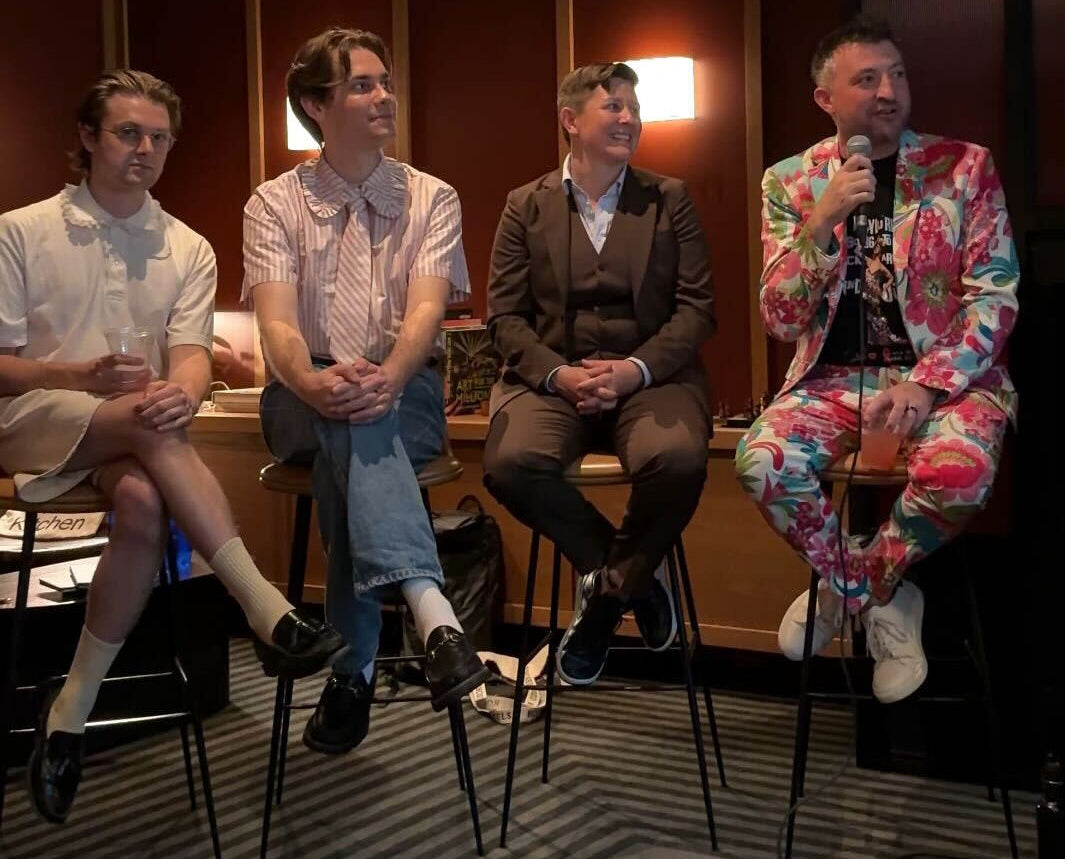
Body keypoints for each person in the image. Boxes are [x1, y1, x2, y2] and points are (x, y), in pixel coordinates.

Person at [0, 70, 344, 823]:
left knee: (143, 502)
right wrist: (76, 375)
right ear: (88, 137)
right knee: (147, 422)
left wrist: (184, 394)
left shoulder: (187, 245)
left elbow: (190, 358)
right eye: (128, 133)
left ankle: (66, 719)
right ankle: (263, 606)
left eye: (159, 138)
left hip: (137, 433)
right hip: (34, 418)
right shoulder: (20, 230)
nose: (145, 149)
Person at [736, 15, 1018, 703]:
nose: (889, 91)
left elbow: (995, 297)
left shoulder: (963, 166)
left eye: (896, 75)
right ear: (825, 98)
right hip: (832, 381)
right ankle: (876, 594)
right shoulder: (788, 182)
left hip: (947, 382)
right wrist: (821, 221)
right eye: (867, 79)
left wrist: (927, 385)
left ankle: (855, 585)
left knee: (958, 475)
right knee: (760, 462)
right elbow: (780, 320)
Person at [243, 27, 489, 756]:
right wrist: (313, 380)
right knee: (348, 424)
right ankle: (432, 612)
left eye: (385, 82)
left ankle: (351, 673)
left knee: (349, 449)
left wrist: (387, 375)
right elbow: (277, 327)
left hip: (404, 388)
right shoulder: (272, 203)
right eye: (362, 85)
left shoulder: (431, 197)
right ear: (316, 106)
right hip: (299, 393)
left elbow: (425, 314)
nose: (385, 96)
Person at [482, 62, 716, 686]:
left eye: (633, 108)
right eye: (613, 106)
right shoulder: (524, 205)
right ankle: (633, 578)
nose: (629, 118)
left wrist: (635, 370)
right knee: (510, 464)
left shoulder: (669, 198)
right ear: (570, 120)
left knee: (678, 459)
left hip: (652, 380)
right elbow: (504, 318)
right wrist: (558, 376)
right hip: (553, 383)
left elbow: (697, 310)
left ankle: (606, 599)